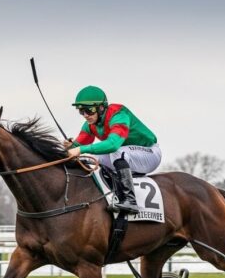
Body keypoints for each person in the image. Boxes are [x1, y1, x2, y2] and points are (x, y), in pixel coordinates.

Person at [64, 86, 160, 214]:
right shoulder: (90, 125)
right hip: (129, 155)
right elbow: (78, 145)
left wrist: (80, 149)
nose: (85, 115)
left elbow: (113, 144)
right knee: (89, 160)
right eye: (81, 111)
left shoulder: (119, 115)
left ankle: (130, 201)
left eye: (89, 110)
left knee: (117, 152)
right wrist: (69, 146)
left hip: (150, 154)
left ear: (101, 107)